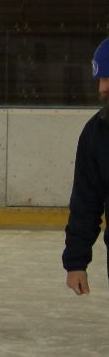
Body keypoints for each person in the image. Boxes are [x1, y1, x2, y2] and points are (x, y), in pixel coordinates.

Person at [63, 37, 109, 296]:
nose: (102, 87)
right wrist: (76, 262)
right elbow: (86, 202)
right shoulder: (96, 133)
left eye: (108, 78)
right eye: (100, 78)